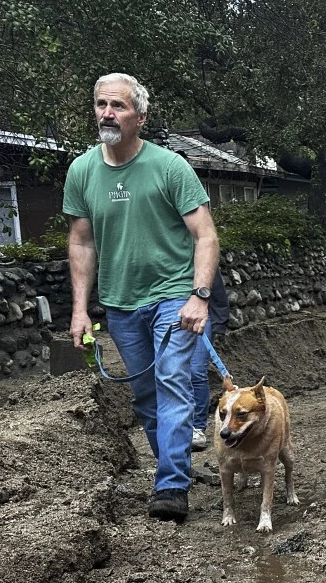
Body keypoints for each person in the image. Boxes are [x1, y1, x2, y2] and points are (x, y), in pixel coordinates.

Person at [64, 72, 218, 523]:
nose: (107, 113)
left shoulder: (170, 167)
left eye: (118, 106)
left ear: (140, 117)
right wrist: (79, 311)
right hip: (120, 302)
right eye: (101, 104)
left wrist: (200, 296)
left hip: (173, 293)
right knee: (145, 395)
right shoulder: (81, 171)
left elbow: (205, 236)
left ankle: (171, 486)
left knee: (172, 382)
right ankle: (174, 467)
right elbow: (81, 244)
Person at [188, 269, 230, 449]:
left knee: (196, 370)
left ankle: (197, 427)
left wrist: (220, 321)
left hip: (202, 315)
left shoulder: (199, 249)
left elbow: (216, 286)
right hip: (168, 315)